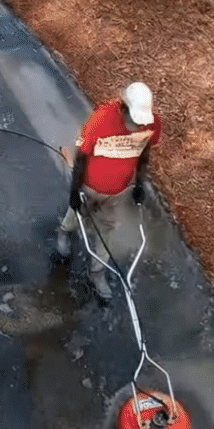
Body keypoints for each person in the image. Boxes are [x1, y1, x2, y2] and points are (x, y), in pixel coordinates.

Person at [56, 82, 161, 299]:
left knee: (107, 229)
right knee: (76, 215)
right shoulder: (101, 119)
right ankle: (64, 233)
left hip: (117, 192)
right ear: (123, 107)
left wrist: (140, 184)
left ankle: (97, 273)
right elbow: (81, 156)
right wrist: (74, 192)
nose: (136, 125)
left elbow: (144, 154)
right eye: (133, 119)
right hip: (89, 186)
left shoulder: (151, 123)